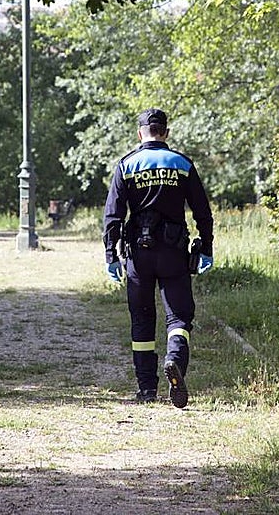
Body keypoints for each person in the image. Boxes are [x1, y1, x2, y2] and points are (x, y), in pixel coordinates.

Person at [102, 108, 214, 407]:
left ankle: (147, 389)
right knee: (178, 316)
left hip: (138, 254)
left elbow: (113, 215)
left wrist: (110, 253)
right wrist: (206, 248)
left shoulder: (126, 165)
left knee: (141, 318)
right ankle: (174, 359)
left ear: (140, 134)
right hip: (173, 252)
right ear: (165, 132)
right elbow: (202, 212)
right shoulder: (182, 163)